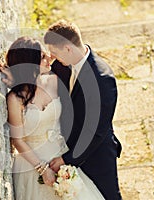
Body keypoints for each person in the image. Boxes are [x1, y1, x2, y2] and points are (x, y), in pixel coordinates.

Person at [3, 36, 105, 200]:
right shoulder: (15, 99)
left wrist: (66, 161)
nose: (49, 58)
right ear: (30, 63)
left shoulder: (54, 81)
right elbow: (18, 140)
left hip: (60, 156)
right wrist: (43, 170)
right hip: (32, 163)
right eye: (43, 57)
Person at [44, 20, 122, 200]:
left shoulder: (102, 80)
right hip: (65, 145)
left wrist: (67, 160)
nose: (52, 58)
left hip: (96, 155)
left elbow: (95, 132)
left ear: (68, 49)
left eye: (55, 53)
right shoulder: (62, 64)